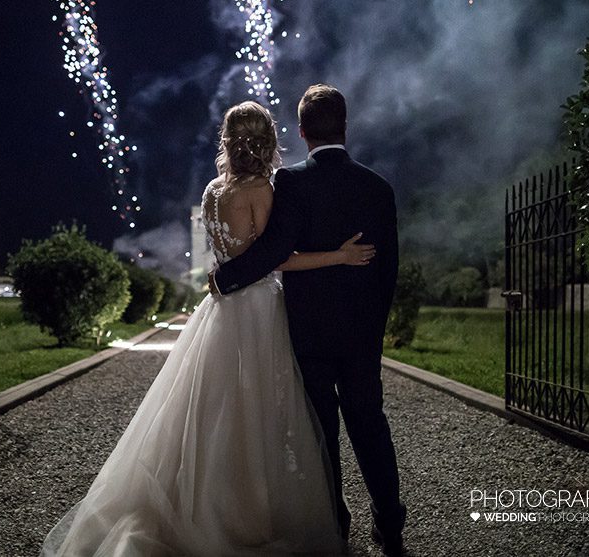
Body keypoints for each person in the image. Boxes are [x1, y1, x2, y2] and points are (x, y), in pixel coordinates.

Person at [40, 99, 372, 556]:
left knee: (214, 410)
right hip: (257, 310)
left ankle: (200, 498)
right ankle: (248, 508)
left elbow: (230, 258)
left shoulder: (214, 190)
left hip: (219, 310)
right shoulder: (262, 191)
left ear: (229, 142)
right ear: (269, 142)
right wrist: (339, 255)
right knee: (259, 410)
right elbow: (274, 260)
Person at [211, 84, 406, 557]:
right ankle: (391, 527)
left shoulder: (292, 183)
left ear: (301, 132)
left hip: (309, 333)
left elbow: (276, 252)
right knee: (370, 424)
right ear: (345, 126)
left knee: (321, 430)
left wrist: (226, 277)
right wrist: (372, 334)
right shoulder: (379, 188)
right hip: (361, 335)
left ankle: (336, 524)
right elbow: (388, 271)